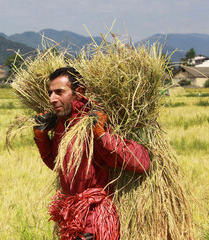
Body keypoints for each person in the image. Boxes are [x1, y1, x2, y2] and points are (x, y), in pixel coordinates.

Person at [33, 67, 150, 240]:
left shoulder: (96, 120)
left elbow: (142, 162)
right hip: (71, 220)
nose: (52, 99)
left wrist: (102, 135)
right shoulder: (62, 125)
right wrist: (41, 137)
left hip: (95, 222)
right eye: (50, 93)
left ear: (78, 93)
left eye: (59, 92)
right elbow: (59, 166)